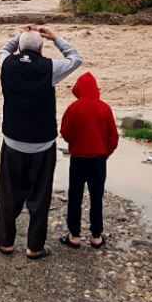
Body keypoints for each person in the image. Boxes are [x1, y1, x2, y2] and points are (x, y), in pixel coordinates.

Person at [0, 25, 82, 258]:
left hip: (12, 141)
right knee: (40, 196)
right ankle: (34, 247)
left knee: (8, 193)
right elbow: (76, 58)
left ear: (19, 47)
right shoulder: (50, 68)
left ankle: (5, 242)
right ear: (41, 48)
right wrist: (55, 38)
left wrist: (21, 35)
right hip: (43, 144)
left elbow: (3, 49)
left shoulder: (6, 64)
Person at [58, 72, 119, 250]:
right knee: (97, 197)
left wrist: (75, 143)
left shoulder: (73, 108)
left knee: (75, 196)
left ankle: (75, 236)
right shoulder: (104, 108)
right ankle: (96, 236)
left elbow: (65, 132)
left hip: (78, 159)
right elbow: (113, 137)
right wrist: (106, 153)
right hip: (99, 160)